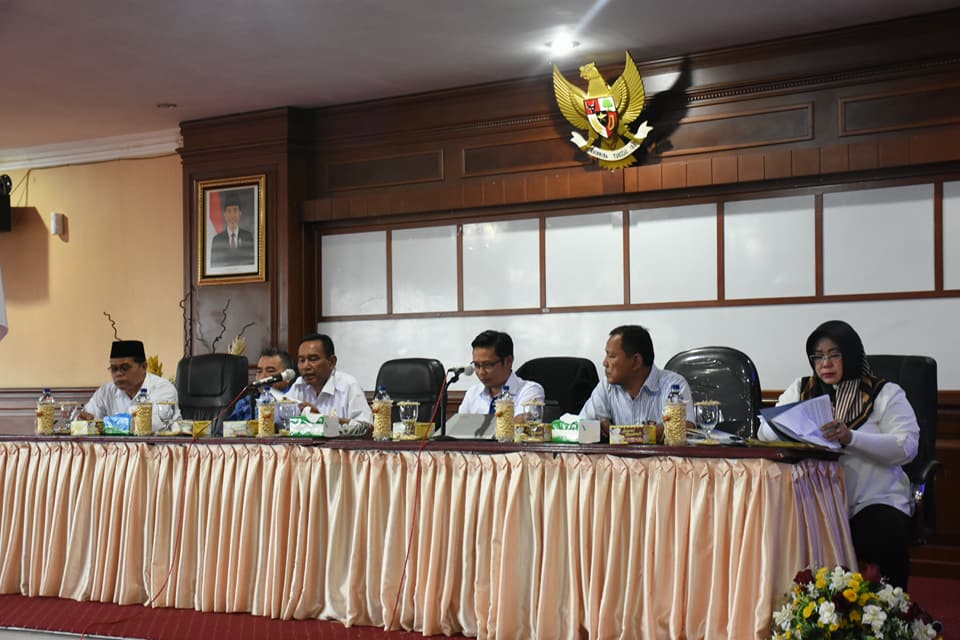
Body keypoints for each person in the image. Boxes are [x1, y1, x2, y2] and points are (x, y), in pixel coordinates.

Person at [758, 320, 919, 589]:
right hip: (815, 501)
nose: (825, 364)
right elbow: (764, 431)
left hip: (872, 500)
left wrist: (851, 438)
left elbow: (907, 447)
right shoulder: (801, 389)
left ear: (851, 354)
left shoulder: (884, 394)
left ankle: (889, 607)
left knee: (884, 531)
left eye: (834, 355)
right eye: (818, 357)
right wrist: (793, 428)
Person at [579, 324, 693, 437]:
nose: (605, 363)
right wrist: (595, 427)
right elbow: (582, 426)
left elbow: (683, 428)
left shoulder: (673, 385)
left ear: (636, 362)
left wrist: (620, 434)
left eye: (612, 356)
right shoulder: (607, 386)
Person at [80, 339, 180, 422]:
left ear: (144, 367)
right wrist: (83, 420)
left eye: (124, 368)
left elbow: (149, 424)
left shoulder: (163, 388)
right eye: (114, 369)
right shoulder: (106, 391)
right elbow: (87, 418)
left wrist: (106, 423)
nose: (118, 373)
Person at [284, 333, 373, 424]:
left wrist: (322, 420)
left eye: (313, 359)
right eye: (302, 360)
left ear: (331, 362)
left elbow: (367, 426)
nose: (306, 366)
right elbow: (282, 418)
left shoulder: (348, 385)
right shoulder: (299, 385)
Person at [457, 330, 544, 417]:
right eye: (477, 365)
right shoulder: (472, 393)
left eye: (487, 365)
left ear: (508, 362)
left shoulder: (530, 391)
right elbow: (461, 424)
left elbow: (522, 423)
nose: (481, 372)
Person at [227, 347, 297, 421]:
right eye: (259, 371)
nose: (263, 376)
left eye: (270, 371)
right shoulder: (246, 402)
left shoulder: (294, 401)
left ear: (287, 377)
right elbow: (226, 427)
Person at [210, 194, 255, 267]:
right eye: (229, 211)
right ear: (224, 215)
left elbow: (252, 264)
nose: (232, 215)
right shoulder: (217, 240)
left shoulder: (248, 237)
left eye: (235, 210)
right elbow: (214, 267)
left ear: (240, 213)